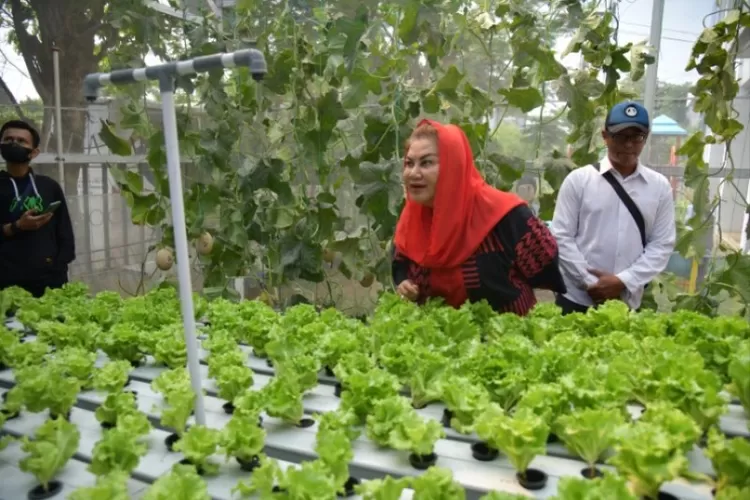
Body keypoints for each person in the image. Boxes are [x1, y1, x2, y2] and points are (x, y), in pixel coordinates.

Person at [391, 119, 566, 316]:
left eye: (426, 163)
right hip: (439, 340)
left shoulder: (505, 214)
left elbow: (546, 263)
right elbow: (400, 264)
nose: (414, 173)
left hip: (506, 338)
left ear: (453, 166)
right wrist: (404, 284)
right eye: (409, 163)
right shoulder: (412, 219)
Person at [550, 101, 676, 314]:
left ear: (645, 139)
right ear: (605, 136)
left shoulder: (659, 187)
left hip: (625, 302)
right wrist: (591, 283)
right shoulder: (579, 181)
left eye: (637, 137)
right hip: (577, 299)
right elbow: (561, 236)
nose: (629, 145)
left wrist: (623, 281)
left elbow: (662, 244)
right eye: (620, 136)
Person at [0, 120, 75, 298]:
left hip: (49, 281)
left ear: (34, 152)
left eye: (21, 141)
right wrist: (16, 226)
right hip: (6, 284)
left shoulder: (48, 186)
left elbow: (64, 231)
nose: (14, 144)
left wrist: (59, 267)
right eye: (8, 139)